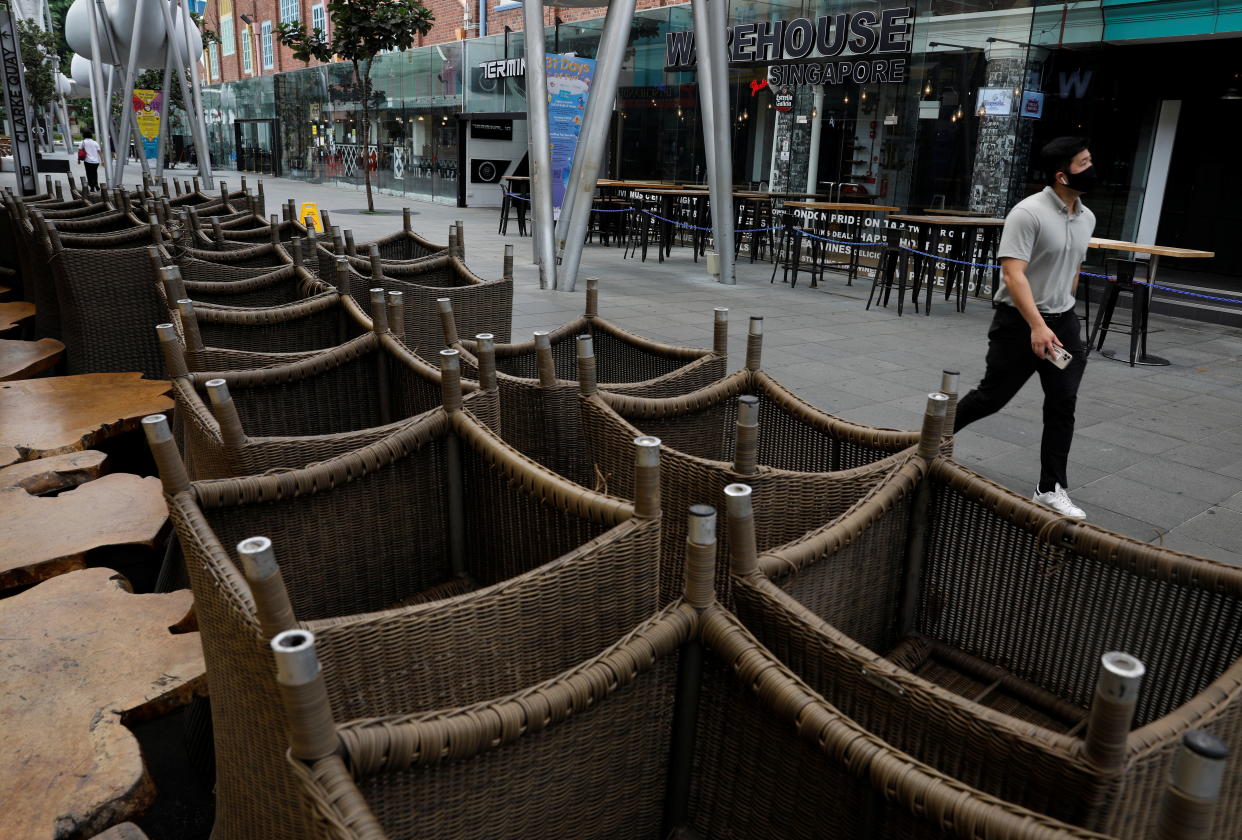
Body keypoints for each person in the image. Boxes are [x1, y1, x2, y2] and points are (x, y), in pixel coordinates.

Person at [953, 137, 1097, 518]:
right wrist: (1036, 325)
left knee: (1063, 403)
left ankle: (1050, 488)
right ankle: (931, 437)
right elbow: (1013, 275)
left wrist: (1063, 316)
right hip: (1019, 323)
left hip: (1062, 323)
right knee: (991, 397)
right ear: (1062, 174)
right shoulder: (1027, 213)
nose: (1092, 167)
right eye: (1084, 163)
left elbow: (1074, 268)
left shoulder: (1087, 217)